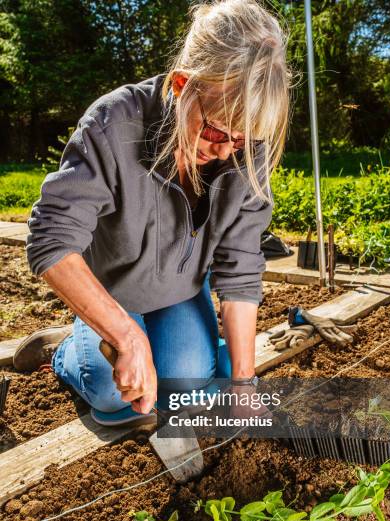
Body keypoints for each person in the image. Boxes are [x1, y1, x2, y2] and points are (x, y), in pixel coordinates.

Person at [13, 0, 291, 425]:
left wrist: (244, 384)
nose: (224, 150)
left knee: (187, 387)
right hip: (114, 294)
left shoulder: (244, 150)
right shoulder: (113, 124)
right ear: (182, 85)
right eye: (216, 129)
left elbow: (240, 265)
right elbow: (51, 238)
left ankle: (166, 350)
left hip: (179, 292)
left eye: (240, 140)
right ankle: (64, 350)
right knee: (110, 394)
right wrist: (125, 335)